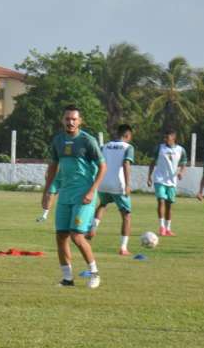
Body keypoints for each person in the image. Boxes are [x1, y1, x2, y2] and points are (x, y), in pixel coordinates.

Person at [41, 105, 106, 288]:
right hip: (65, 195)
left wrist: (92, 190)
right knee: (61, 236)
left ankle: (94, 273)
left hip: (84, 195)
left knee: (77, 236)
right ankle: (67, 278)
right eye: (67, 118)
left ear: (80, 121)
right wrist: (48, 191)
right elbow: (53, 167)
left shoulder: (87, 141)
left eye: (74, 119)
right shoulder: (58, 140)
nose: (70, 122)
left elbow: (103, 167)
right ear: (63, 120)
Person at [90, 124, 134, 255]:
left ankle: (92, 229)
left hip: (103, 183)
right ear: (127, 135)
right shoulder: (128, 147)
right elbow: (126, 163)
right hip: (118, 185)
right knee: (126, 215)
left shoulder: (105, 146)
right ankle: (123, 248)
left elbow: (96, 162)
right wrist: (127, 184)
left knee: (103, 205)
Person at [147, 129, 188, 236]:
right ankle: (161, 227)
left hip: (172, 181)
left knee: (169, 205)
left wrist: (181, 172)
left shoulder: (181, 150)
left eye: (167, 138)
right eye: (164, 137)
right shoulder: (159, 148)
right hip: (159, 179)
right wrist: (149, 177)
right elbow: (152, 162)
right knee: (161, 201)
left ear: (173, 138)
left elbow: (183, 163)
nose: (165, 139)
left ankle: (168, 228)